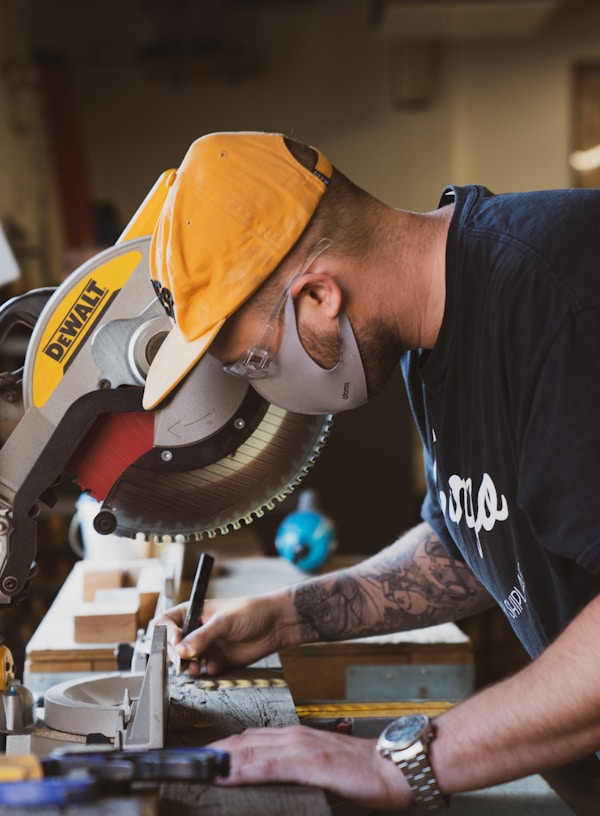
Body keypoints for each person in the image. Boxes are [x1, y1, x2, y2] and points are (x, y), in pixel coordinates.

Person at [147, 131, 600, 813]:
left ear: (321, 297)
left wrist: (401, 762)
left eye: (255, 364)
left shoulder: (563, 301)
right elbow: (469, 542)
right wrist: (288, 619)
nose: (258, 388)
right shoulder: (431, 336)